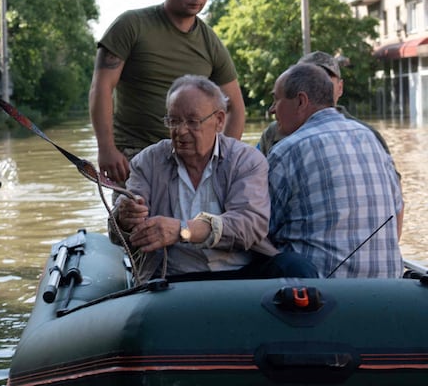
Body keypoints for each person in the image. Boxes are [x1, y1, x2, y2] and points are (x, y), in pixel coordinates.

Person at [110, 75, 315, 283]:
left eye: (192, 122)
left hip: (242, 273)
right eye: (173, 121)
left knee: (296, 267)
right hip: (173, 277)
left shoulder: (245, 160)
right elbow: (119, 235)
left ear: (219, 120)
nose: (180, 131)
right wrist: (125, 219)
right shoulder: (147, 161)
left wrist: (184, 230)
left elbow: (250, 225)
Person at [89, 0, 246, 186]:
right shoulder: (131, 25)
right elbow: (101, 88)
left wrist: (221, 158)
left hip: (190, 159)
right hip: (135, 155)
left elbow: (236, 107)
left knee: (191, 224)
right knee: (134, 221)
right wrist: (106, 148)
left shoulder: (210, 42)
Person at [267, 63, 404, 278]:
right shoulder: (371, 138)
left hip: (320, 300)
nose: (272, 109)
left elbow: (258, 228)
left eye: (277, 99)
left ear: (301, 101)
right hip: (387, 292)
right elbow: (397, 210)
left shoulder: (286, 151)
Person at [258, 51, 392, 156]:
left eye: (324, 77)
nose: (316, 84)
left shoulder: (367, 134)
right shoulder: (273, 133)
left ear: (340, 88)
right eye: (308, 78)